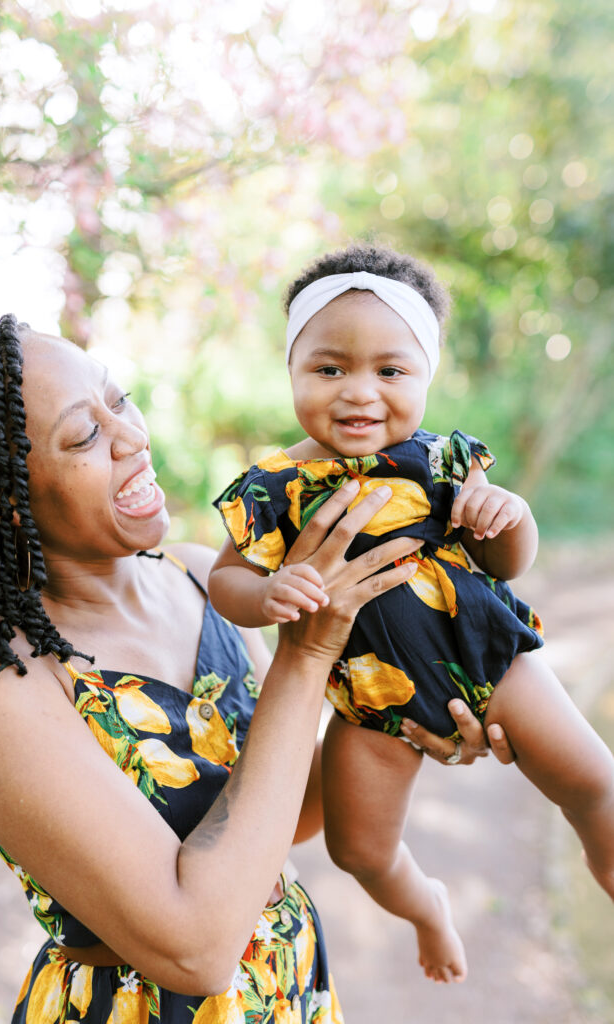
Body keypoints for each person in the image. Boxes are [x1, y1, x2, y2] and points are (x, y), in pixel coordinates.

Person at [0, 313, 511, 1023]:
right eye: (85, 435)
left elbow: (278, 818)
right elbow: (197, 949)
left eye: (119, 401)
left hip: (287, 982)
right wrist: (307, 656)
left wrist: (408, 723)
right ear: (1, 498)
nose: (134, 439)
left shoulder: (202, 579)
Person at [208, 242, 614, 985]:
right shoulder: (269, 486)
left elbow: (505, 563)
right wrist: (264, 594)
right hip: (368, 703)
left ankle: (605, 863)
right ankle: (427, 906)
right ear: (292, 370)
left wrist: (508, 513)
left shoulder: (440, 462)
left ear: (425, 374)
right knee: (356, 850)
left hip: (490, 656)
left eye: (389, 372)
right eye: (329, 369)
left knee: (591, 781)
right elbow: (226, 578)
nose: (359, 393)